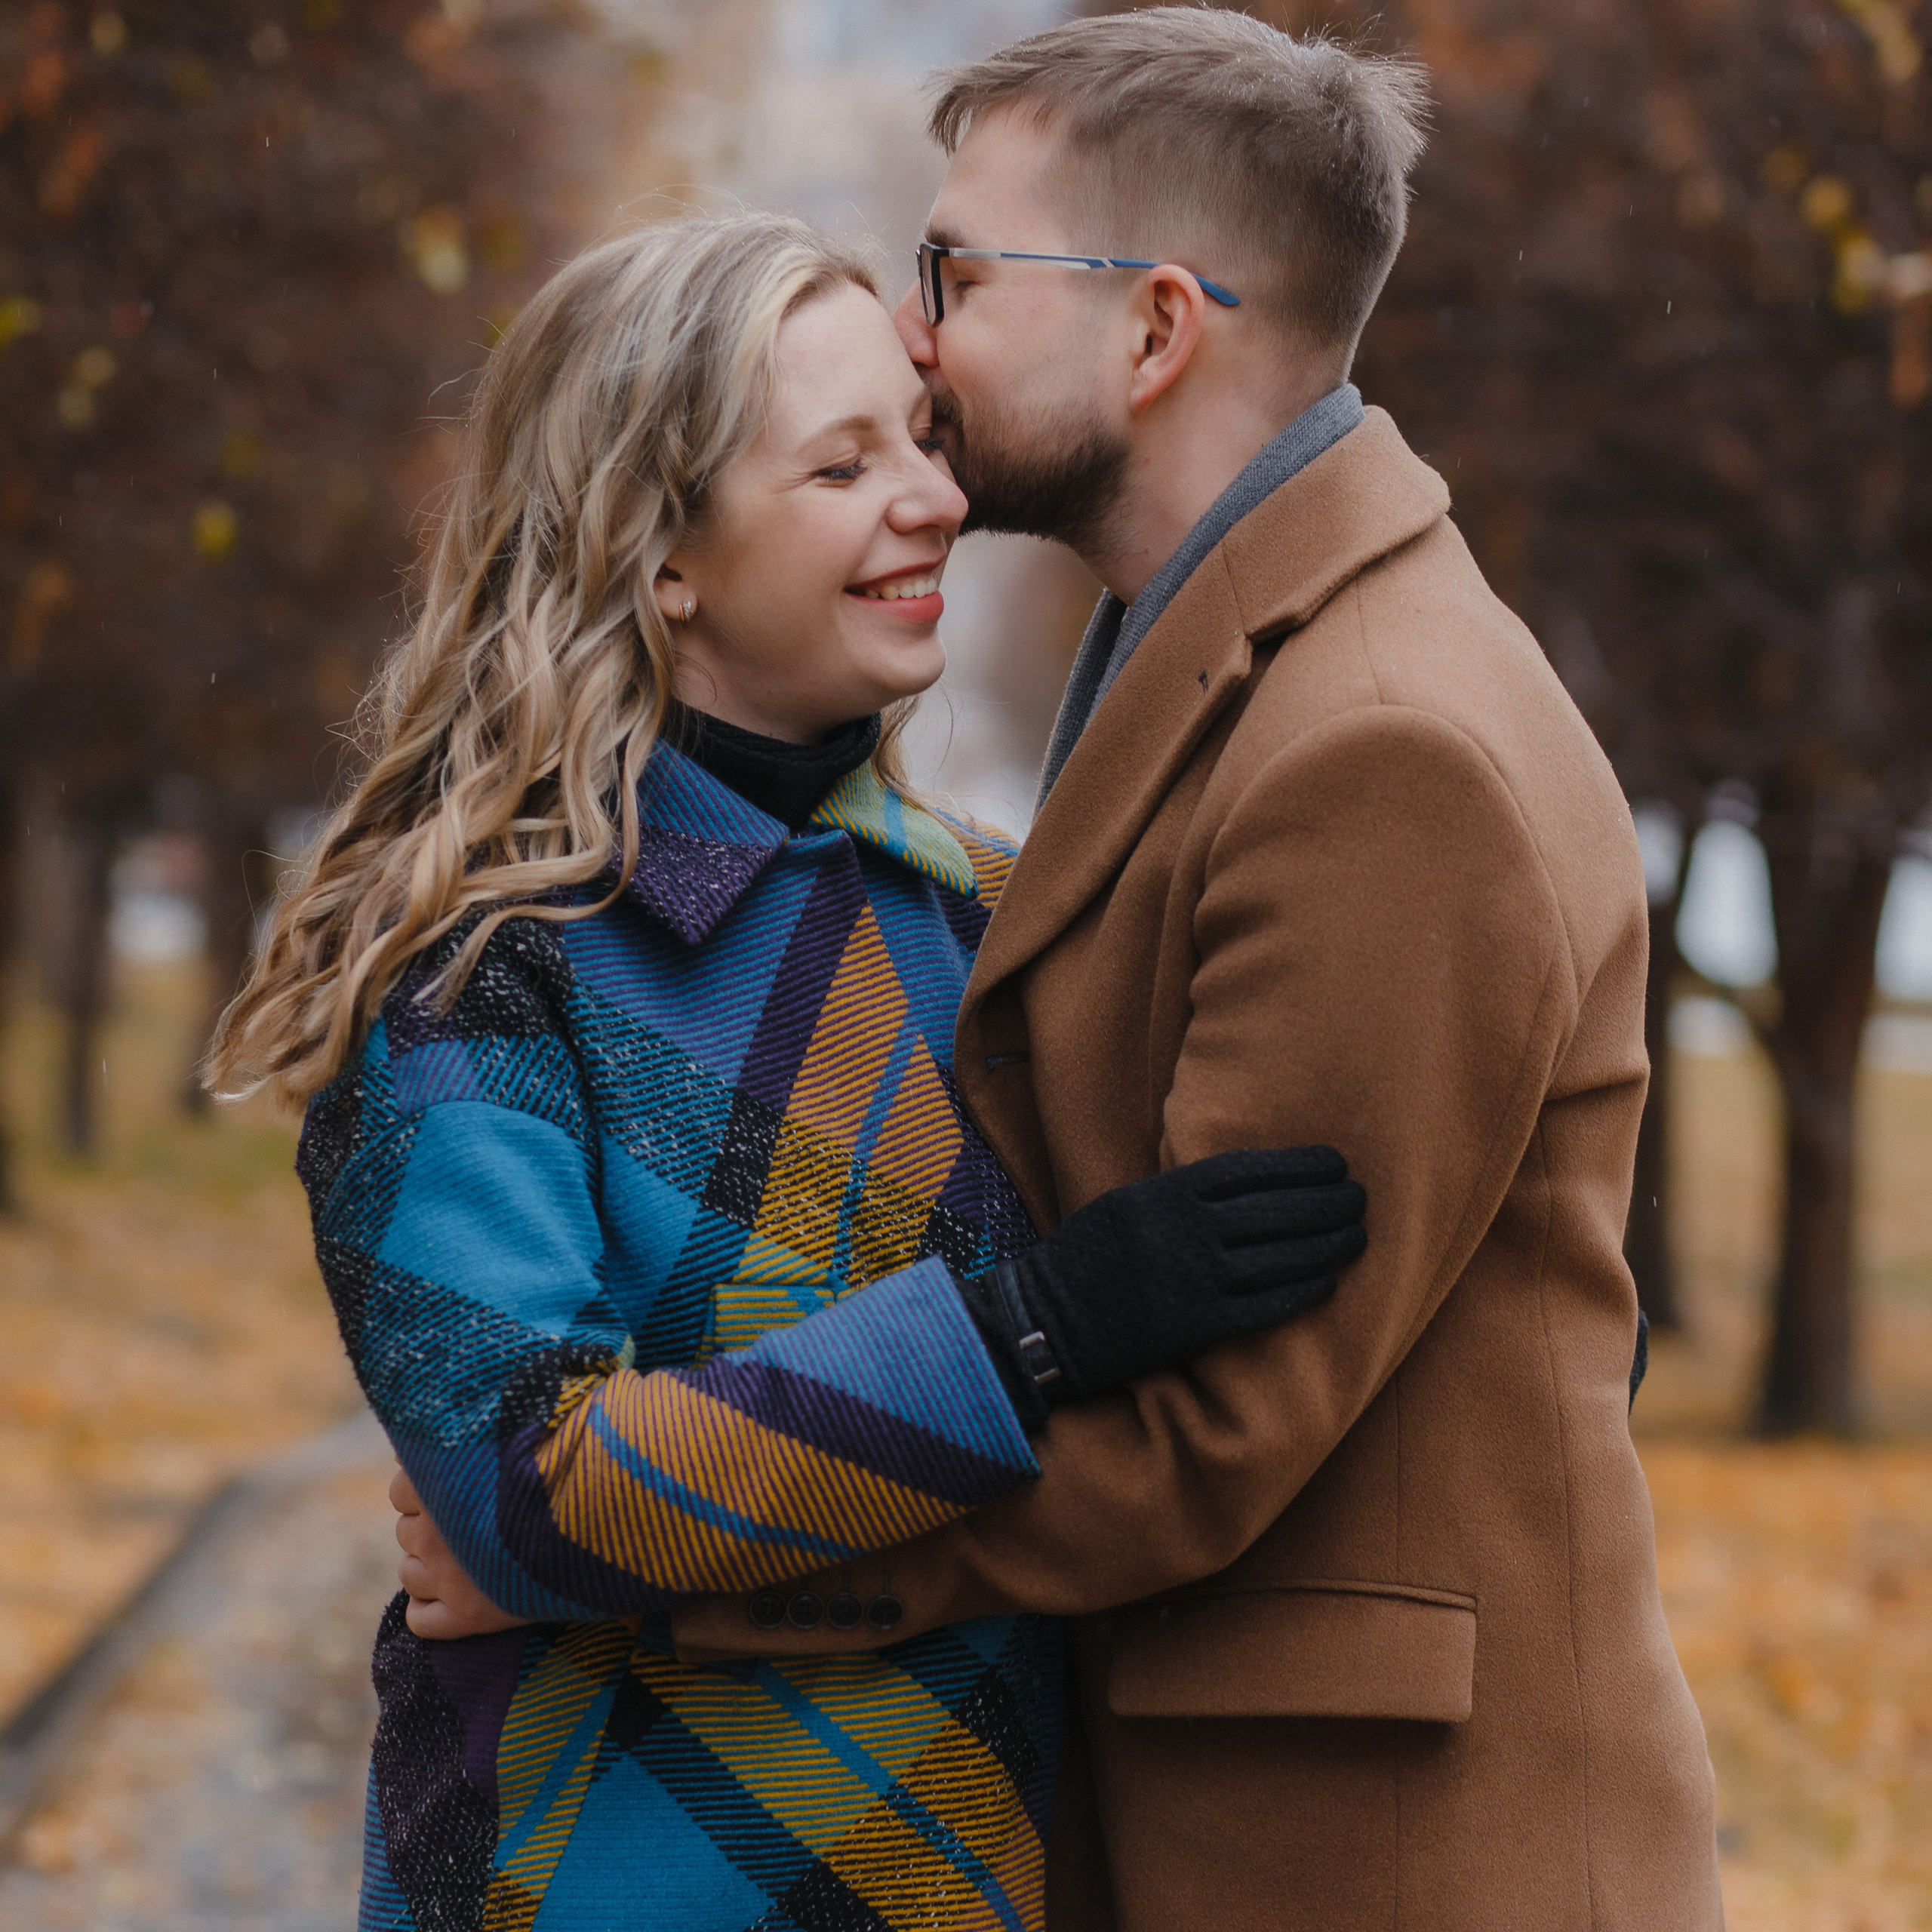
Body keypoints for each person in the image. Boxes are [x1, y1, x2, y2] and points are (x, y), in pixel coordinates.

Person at [657, 14, 1728, 1929]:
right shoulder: (1231, 656)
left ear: (1153, 331)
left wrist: (664, 1557)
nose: (912, 335)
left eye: (955, 274)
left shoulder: (1380, 749)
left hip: (1393, 1861)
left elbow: (1199, 1427)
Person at [206, 211, 1369, 1931]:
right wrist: (1026, 1332)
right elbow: (532, 1495)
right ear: (659, 549)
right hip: (586, 1880)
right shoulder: (474, 969)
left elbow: (1209, 1358)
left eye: (915, 436)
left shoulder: (995, 915)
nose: (932, 498)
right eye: (839, 465)